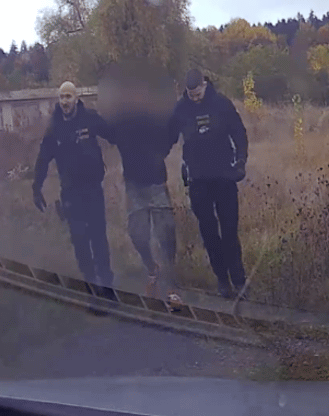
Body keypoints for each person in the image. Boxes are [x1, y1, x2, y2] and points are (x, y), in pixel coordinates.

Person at [169, 68, 249, 299]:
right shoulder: (181, 108)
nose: (194, 98)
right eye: (190, 94)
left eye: (197, 94)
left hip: (224, 176)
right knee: (209, 231)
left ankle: (239, 279)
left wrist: (241, 161)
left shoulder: (221, 103)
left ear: (204, 84)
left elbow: (239, 133)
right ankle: (222, 280)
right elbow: (169, 136)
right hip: (198, 179)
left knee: (230, 230)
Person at [105, 80, 183, 312]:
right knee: (137, 234)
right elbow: (106, 133)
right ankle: (152, 268)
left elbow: (172, 134)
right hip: (134, 186)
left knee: (166, 234)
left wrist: (159, 156)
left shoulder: (157, 117)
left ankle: (172, 289)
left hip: (156, 182)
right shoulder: (121, 120)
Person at [32, 81, 115, 296]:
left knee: (98, 238)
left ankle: (107, 288)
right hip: (70, 194)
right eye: (61, 97)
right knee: (80, 241)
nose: (65, 102)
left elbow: (114, 134)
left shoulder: (89, 118)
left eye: (68, 97)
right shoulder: (55, 127)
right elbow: (43, 158)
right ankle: (92, 290)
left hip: (93, 189)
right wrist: (36, 187)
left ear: (76, 98)